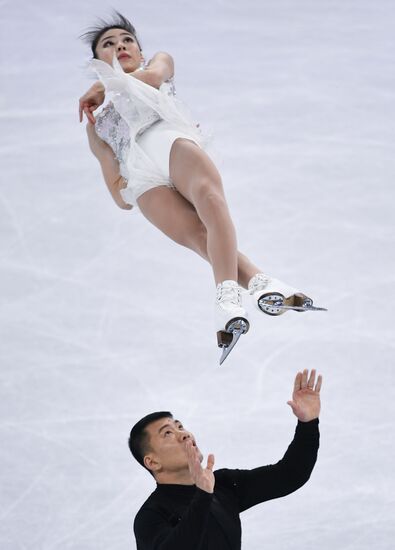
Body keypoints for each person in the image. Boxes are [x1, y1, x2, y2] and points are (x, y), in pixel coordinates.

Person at [79, 12, 324, 344]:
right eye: (108, 44)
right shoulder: (98, 123)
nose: (120, 45)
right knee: (198, 236)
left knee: (210, 199)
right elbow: (116, 190)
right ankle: (261, 282)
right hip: (141, 176)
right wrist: (128, 179)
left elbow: (151, 79)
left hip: (169, 141)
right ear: (98, 60)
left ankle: (226, 300)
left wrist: (104, 83)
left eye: (127, 40)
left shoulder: (159, 64)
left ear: (139, 50)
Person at [128, 368, 322, 549]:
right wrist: (203, 496)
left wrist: (308, 424)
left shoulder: (222, 485)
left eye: (180, 426)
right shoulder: (151, 516)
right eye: (168, 433)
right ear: (152, 462)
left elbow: (289, 475)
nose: (184, 434)